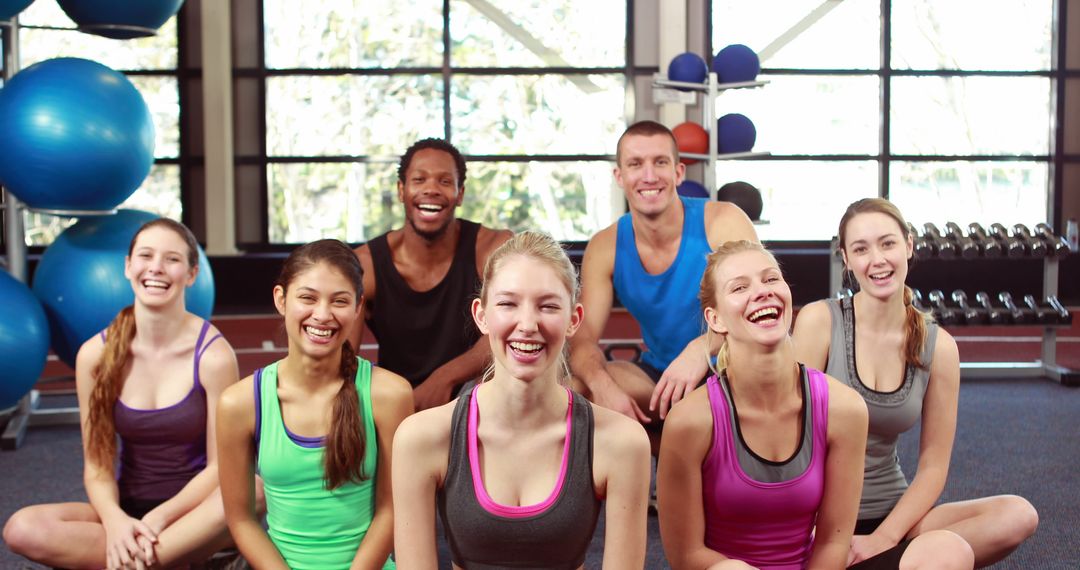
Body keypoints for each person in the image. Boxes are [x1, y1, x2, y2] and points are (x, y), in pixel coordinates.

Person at [793, 198, 1037, 568]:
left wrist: (883, 538)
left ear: (908, 245)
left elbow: (933, 467)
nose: (877, 259)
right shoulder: (819, 322)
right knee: (943, 557)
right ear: (846, 258)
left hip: (894, 516)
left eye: (888, 243)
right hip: (819, 519)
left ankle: (886, 558)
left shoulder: (939, 347)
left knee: (1018, 514)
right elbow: (786, 438)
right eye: (861, 248)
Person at [392, 231, 651, 569]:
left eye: (548, 306)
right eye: (508, 303)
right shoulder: (421, 437)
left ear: (573, 320)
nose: (527, 324)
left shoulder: (621, 442)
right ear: (481, 315)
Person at [3, 218, 240, 569]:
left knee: (251, 491)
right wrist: (115, 523)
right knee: (22, 528)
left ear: (191, 275)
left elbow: (220, 469)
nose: (156, 268)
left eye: (172, 259)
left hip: (196, 514)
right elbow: (97, 466)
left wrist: (156, 521)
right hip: (128, 511)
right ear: (129, 267)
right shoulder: (94, 356)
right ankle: (162, 559)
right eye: (146, 256)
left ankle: (137, 557)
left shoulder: (214, 356)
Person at [658, 240, 870, 569]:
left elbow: (833, 540)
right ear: (716, 319)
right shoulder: (690, 422)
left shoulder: (845, 409)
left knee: (944, 549)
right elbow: (687, 556)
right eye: (740, 287)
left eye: (771, 279)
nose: (762, 292)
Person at [217, 239, 413, 569]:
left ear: (358, 307)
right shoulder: (239, 404)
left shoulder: (389, 395)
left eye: (339, 301)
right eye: (308, 298)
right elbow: (242, 521)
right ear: (281, 299)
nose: (322, 315)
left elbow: (391, 510)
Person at [570, 120, 758, 434]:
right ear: (619, 176)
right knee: (576, 388)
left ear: (678, 172)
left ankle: (683, 438)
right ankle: (647, 467)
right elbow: (582, 336)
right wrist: (602, 385)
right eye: (635, 164)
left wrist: (702, 348)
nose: (648, 176)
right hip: (663, 378)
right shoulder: (605, 247)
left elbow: (759, 308)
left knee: (729, 398)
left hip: (734, 372)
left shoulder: (723, 222)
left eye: (660, 162)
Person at [351, 138, 512, 410]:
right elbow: (342, 359)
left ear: (460, 194)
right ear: (401, 190)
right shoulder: (364, 264)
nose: (431, 190)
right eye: (419, 179)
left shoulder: (492, 248)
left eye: (445, 182)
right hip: (399, 400)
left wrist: (445, 377)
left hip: (475, 396)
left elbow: (511, 327)